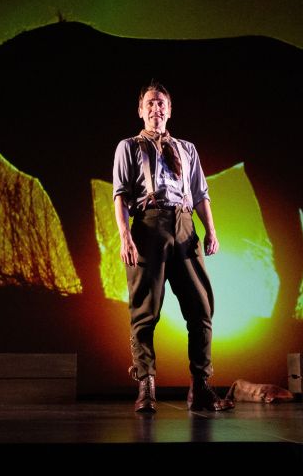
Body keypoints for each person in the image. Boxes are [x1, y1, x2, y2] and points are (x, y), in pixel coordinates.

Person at [113, 81, 234, 413]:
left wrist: (210, 231)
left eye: (162, 103)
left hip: (184, 226)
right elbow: (121, 196)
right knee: (145, 311)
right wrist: (125, 236)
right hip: (148, 226)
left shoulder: (187, 149)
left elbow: (200, 194)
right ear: (141, 110)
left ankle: (201, 386)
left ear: (170, 109)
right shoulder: (129, 147)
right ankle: (147, 387)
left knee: (201, 307)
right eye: (150, 103)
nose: (156, 108)